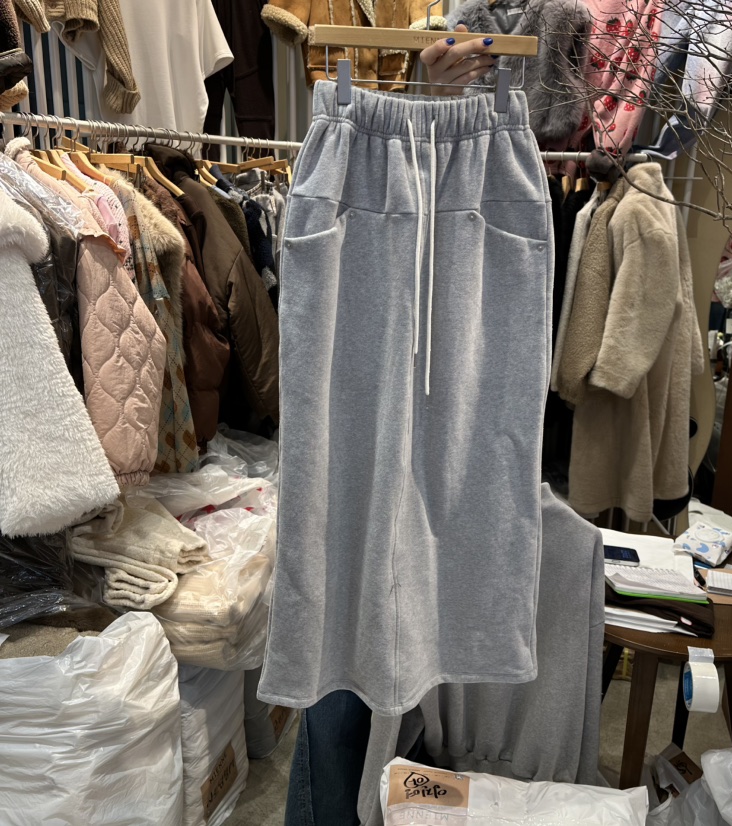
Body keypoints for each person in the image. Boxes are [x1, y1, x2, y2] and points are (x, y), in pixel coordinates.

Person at [281, 29, 497, 826]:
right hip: (376, 181)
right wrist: (423, 95)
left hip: (477, 193)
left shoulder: (543, 93)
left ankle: (395, 801)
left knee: (414, 630)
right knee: (341, 611)